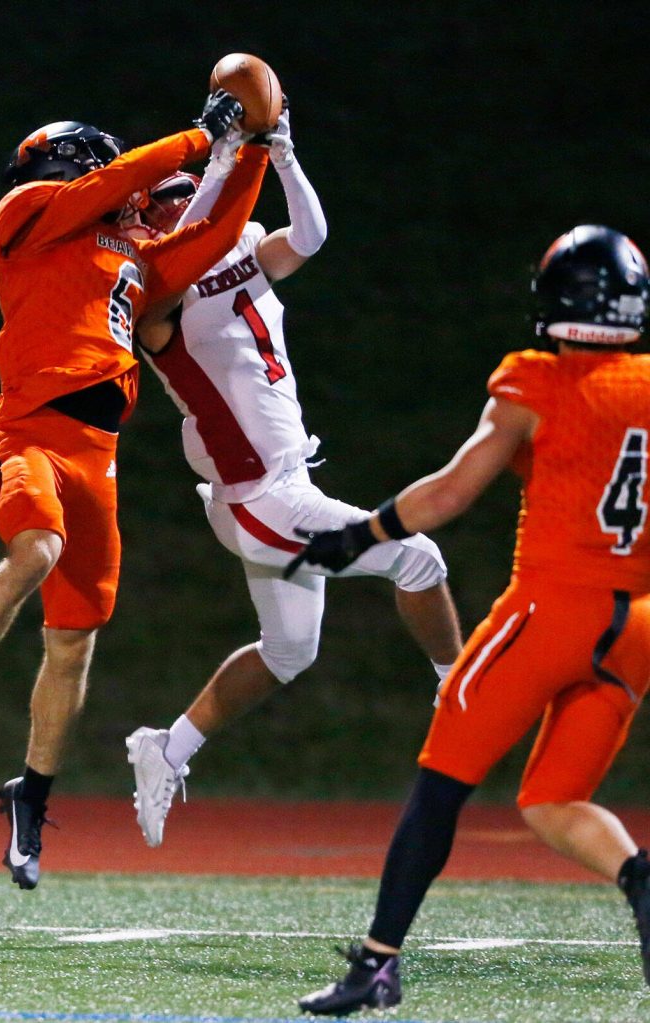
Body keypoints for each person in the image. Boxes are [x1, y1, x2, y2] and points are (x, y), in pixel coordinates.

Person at [0, 95, 270, 891]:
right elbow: (103, 190)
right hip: (28, 429)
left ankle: (31, 796)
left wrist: (257, 148)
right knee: (38, 549)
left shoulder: (128, 248)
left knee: (75, 637)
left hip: (96, 454)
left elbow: (206, 240)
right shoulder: (29, 212)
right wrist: (202, 136)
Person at [289, 224, 650, 1012]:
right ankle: (641, 879)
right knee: (550, 800)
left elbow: (451, 492)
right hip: (638, 627)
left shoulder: (536, 380)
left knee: (441, 785)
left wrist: (359, 534)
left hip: (549, 609)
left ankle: (378, 964)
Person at [123, 106, 462, 850]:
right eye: (170, 202)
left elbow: (308, 237)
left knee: (288, 650)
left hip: (274, 486)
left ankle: (167, 746)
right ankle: (464, 692)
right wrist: (218, 164)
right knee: (419, 557)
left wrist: (281, 154)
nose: (183, 207)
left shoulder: (239, 245)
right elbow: (184, 256)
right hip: (261, 497)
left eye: (185, 194)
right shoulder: (154, 293)